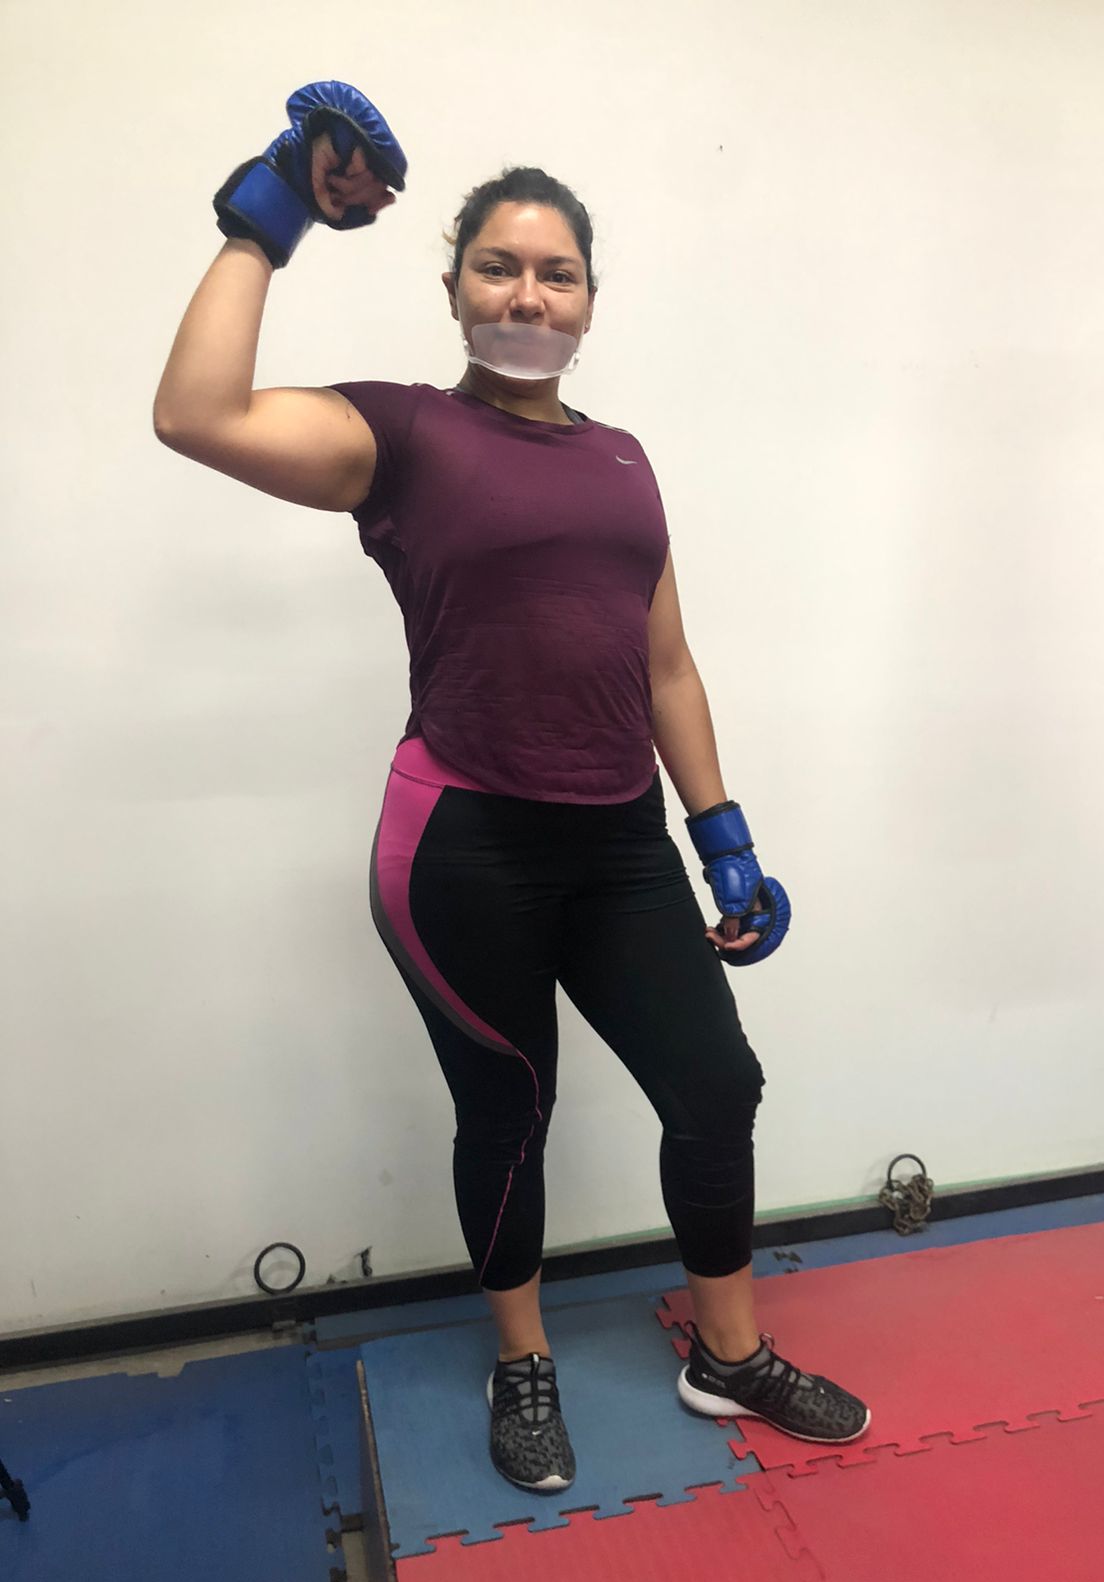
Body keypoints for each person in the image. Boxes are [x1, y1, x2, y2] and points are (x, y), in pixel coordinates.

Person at [154, 82, 870, 1495]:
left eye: (557, 273)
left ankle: (728, 1356)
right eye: (499, 266)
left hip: (619, 843)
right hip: (463, 843)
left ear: (590, 301)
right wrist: (270, 214)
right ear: (454, 287)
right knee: (510, 1109)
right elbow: (195, 412)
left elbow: (665, 663)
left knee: (716, 1083)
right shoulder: (403, 434)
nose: (528, 294)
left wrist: (722, 835)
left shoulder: (623, 459)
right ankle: (523, 1359)